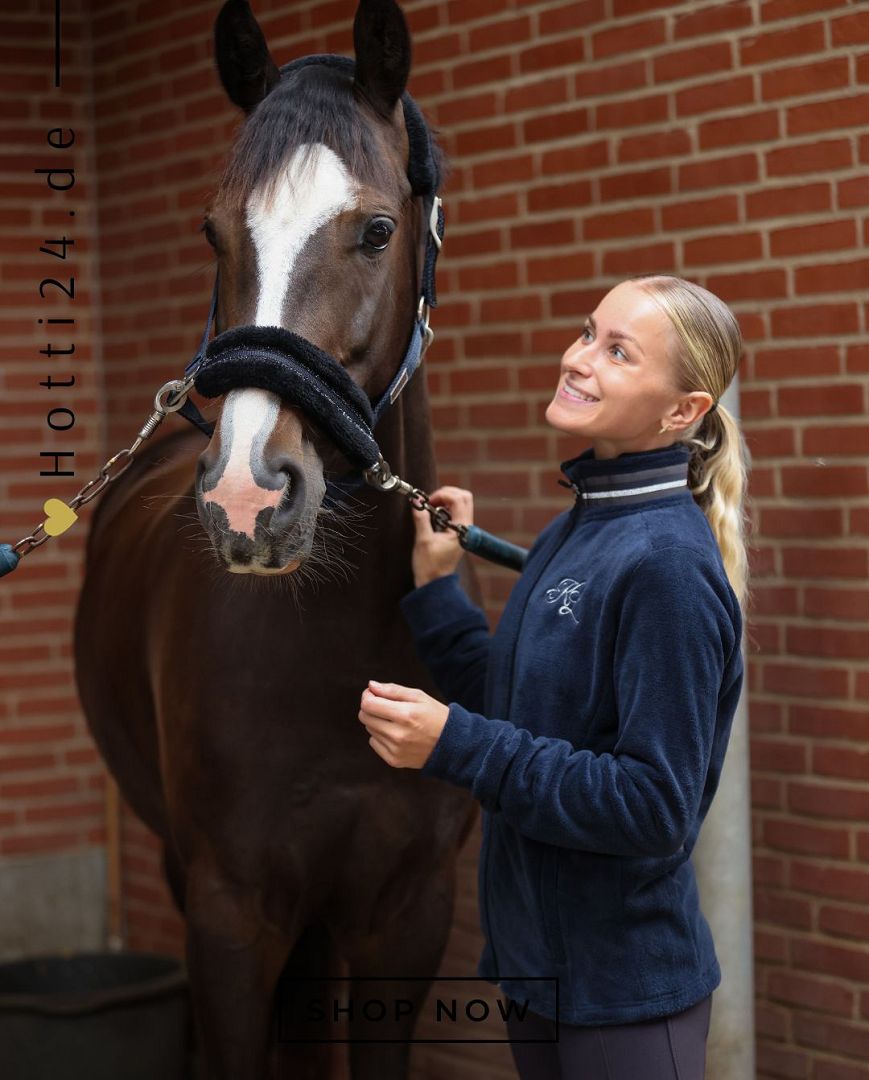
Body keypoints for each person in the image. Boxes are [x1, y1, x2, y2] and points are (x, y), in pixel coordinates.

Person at [357, 273, 747, 1079]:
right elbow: (520, 704)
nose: (577, 359)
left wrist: (454, 745)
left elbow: (652, 807)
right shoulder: (578, 526)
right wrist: (436, 590)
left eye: (616, 351)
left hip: (627, 997)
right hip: (540, 975)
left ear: (682, 412)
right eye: (585, 332)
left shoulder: (667, 565)